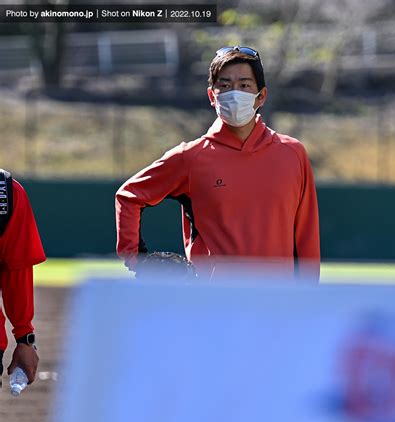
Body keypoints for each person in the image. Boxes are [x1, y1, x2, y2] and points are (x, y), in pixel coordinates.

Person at [116, 46, 320, 278]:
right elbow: (129, 196)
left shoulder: (292, 153)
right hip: (212, 303)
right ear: (212, 96)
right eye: (224, 85)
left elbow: (306, 235)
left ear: (261, 96)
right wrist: (135, 259)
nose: (234, 93)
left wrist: (308, 296)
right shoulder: (191, 158)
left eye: (244, 85)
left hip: (277, 303)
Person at [0, 170, 46, 386]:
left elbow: (16, 272)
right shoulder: (6, 191)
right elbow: (17, 273)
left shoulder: (8, 191)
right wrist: (25, 338)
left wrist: (25, 337)